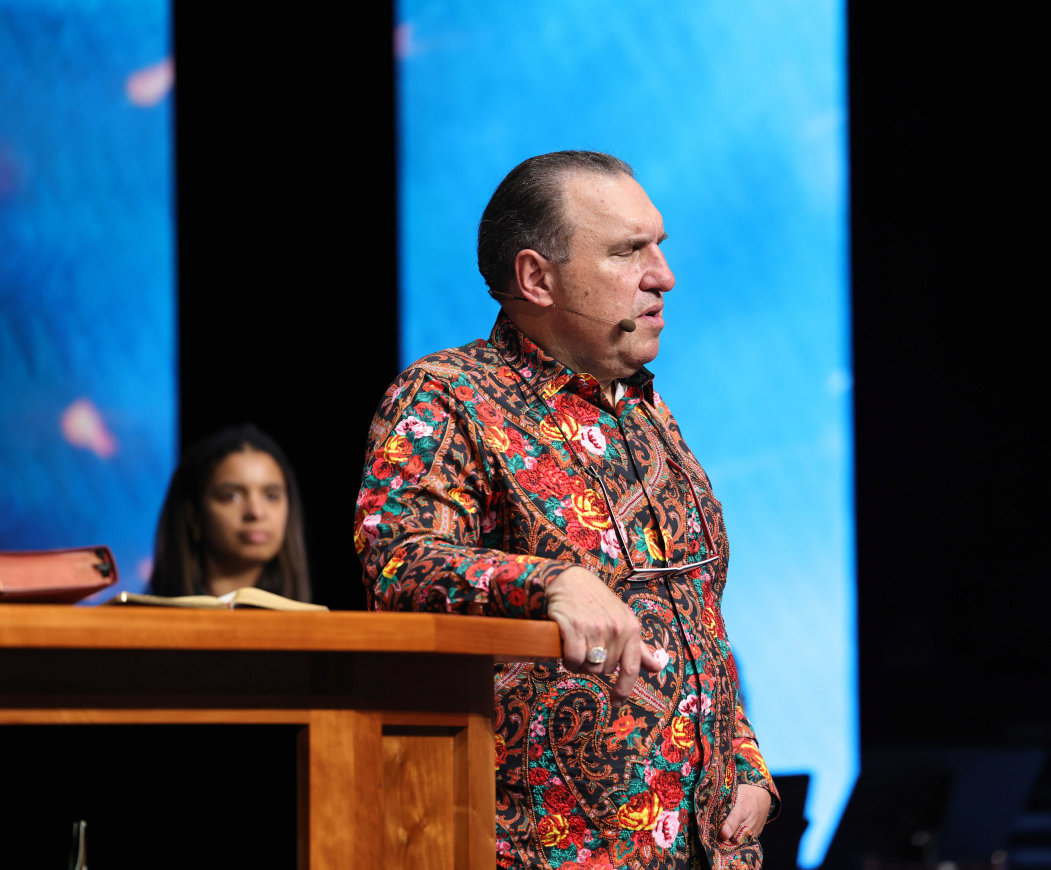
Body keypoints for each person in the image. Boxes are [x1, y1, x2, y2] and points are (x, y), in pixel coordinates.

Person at [355, 151, 776, 870]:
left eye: (658, 246)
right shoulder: (451, 397)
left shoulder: (646, 415)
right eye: (627, 251)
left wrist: (743, 757)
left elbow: (693, 617)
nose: (663, 275)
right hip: (543, 850)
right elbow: (397, 561)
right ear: (536, 279)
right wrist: (548, 581)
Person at [151, 424, 311, 601]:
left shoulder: (314, 616)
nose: (256, 512)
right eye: (231, 496)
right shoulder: (142, 615)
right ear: (193, 515)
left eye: (271, 496)